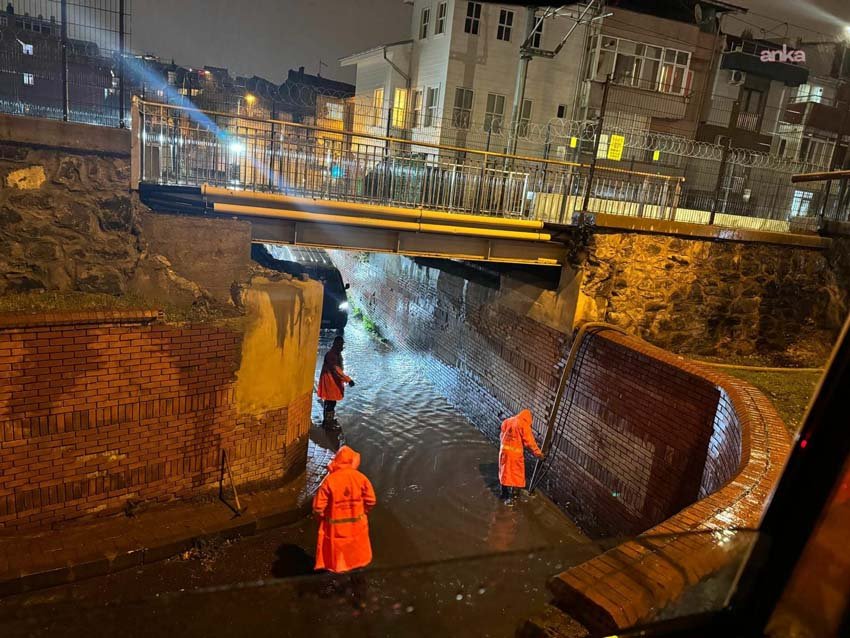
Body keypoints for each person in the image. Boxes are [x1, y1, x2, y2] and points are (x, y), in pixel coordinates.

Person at [313, 445, 377, 574]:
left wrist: (321, 518)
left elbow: (318, 507)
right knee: (356, 555)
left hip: (335, 529)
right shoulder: (361, 478)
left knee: (337, 558)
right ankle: (357, 582)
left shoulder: (329, 481)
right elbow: (371, 500)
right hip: (357, 525)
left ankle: (339, 580)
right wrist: (363, 512)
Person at [498, 409, 543, 504]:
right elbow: (530, 442)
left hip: (504, 452)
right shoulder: (523, 425)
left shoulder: (508, 421)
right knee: (516, 474)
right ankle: (513, 497)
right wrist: (538, 453)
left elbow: (501, 435)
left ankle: (504, 494)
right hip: (515, 454)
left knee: (504, 472)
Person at [317, 336, 355, 429]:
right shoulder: (332, 355)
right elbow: (336, 369)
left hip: (331, 381)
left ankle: (328, 421)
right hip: (330, 382)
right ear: (337, 344)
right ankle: (328, 424)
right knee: (330, 402)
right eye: (341, 344)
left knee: (329, 402)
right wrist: (348, 379)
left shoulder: (335, 353)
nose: (342, 346)